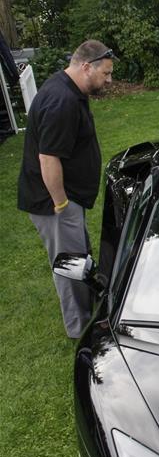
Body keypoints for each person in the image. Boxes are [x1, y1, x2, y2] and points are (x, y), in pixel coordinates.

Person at [17, 40, 115, 337]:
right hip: (55, 203)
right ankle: (80, 328)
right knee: (69, 265)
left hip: (65, 200)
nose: (109, 81)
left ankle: (88, 310)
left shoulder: (69, 89)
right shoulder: (62, 101)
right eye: (106, 74)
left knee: (78, 255)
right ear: (86, 67)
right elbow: (48, 158)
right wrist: (62, 206)